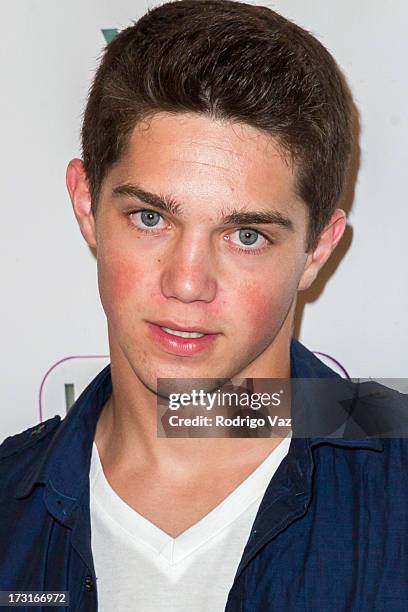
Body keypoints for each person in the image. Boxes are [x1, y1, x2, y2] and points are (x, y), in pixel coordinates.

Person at [1, 1, 407, 610]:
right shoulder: (9, 501)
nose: (188, 284)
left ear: (318, 248)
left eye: (246, 235)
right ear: (87, 206)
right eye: (150, 218)